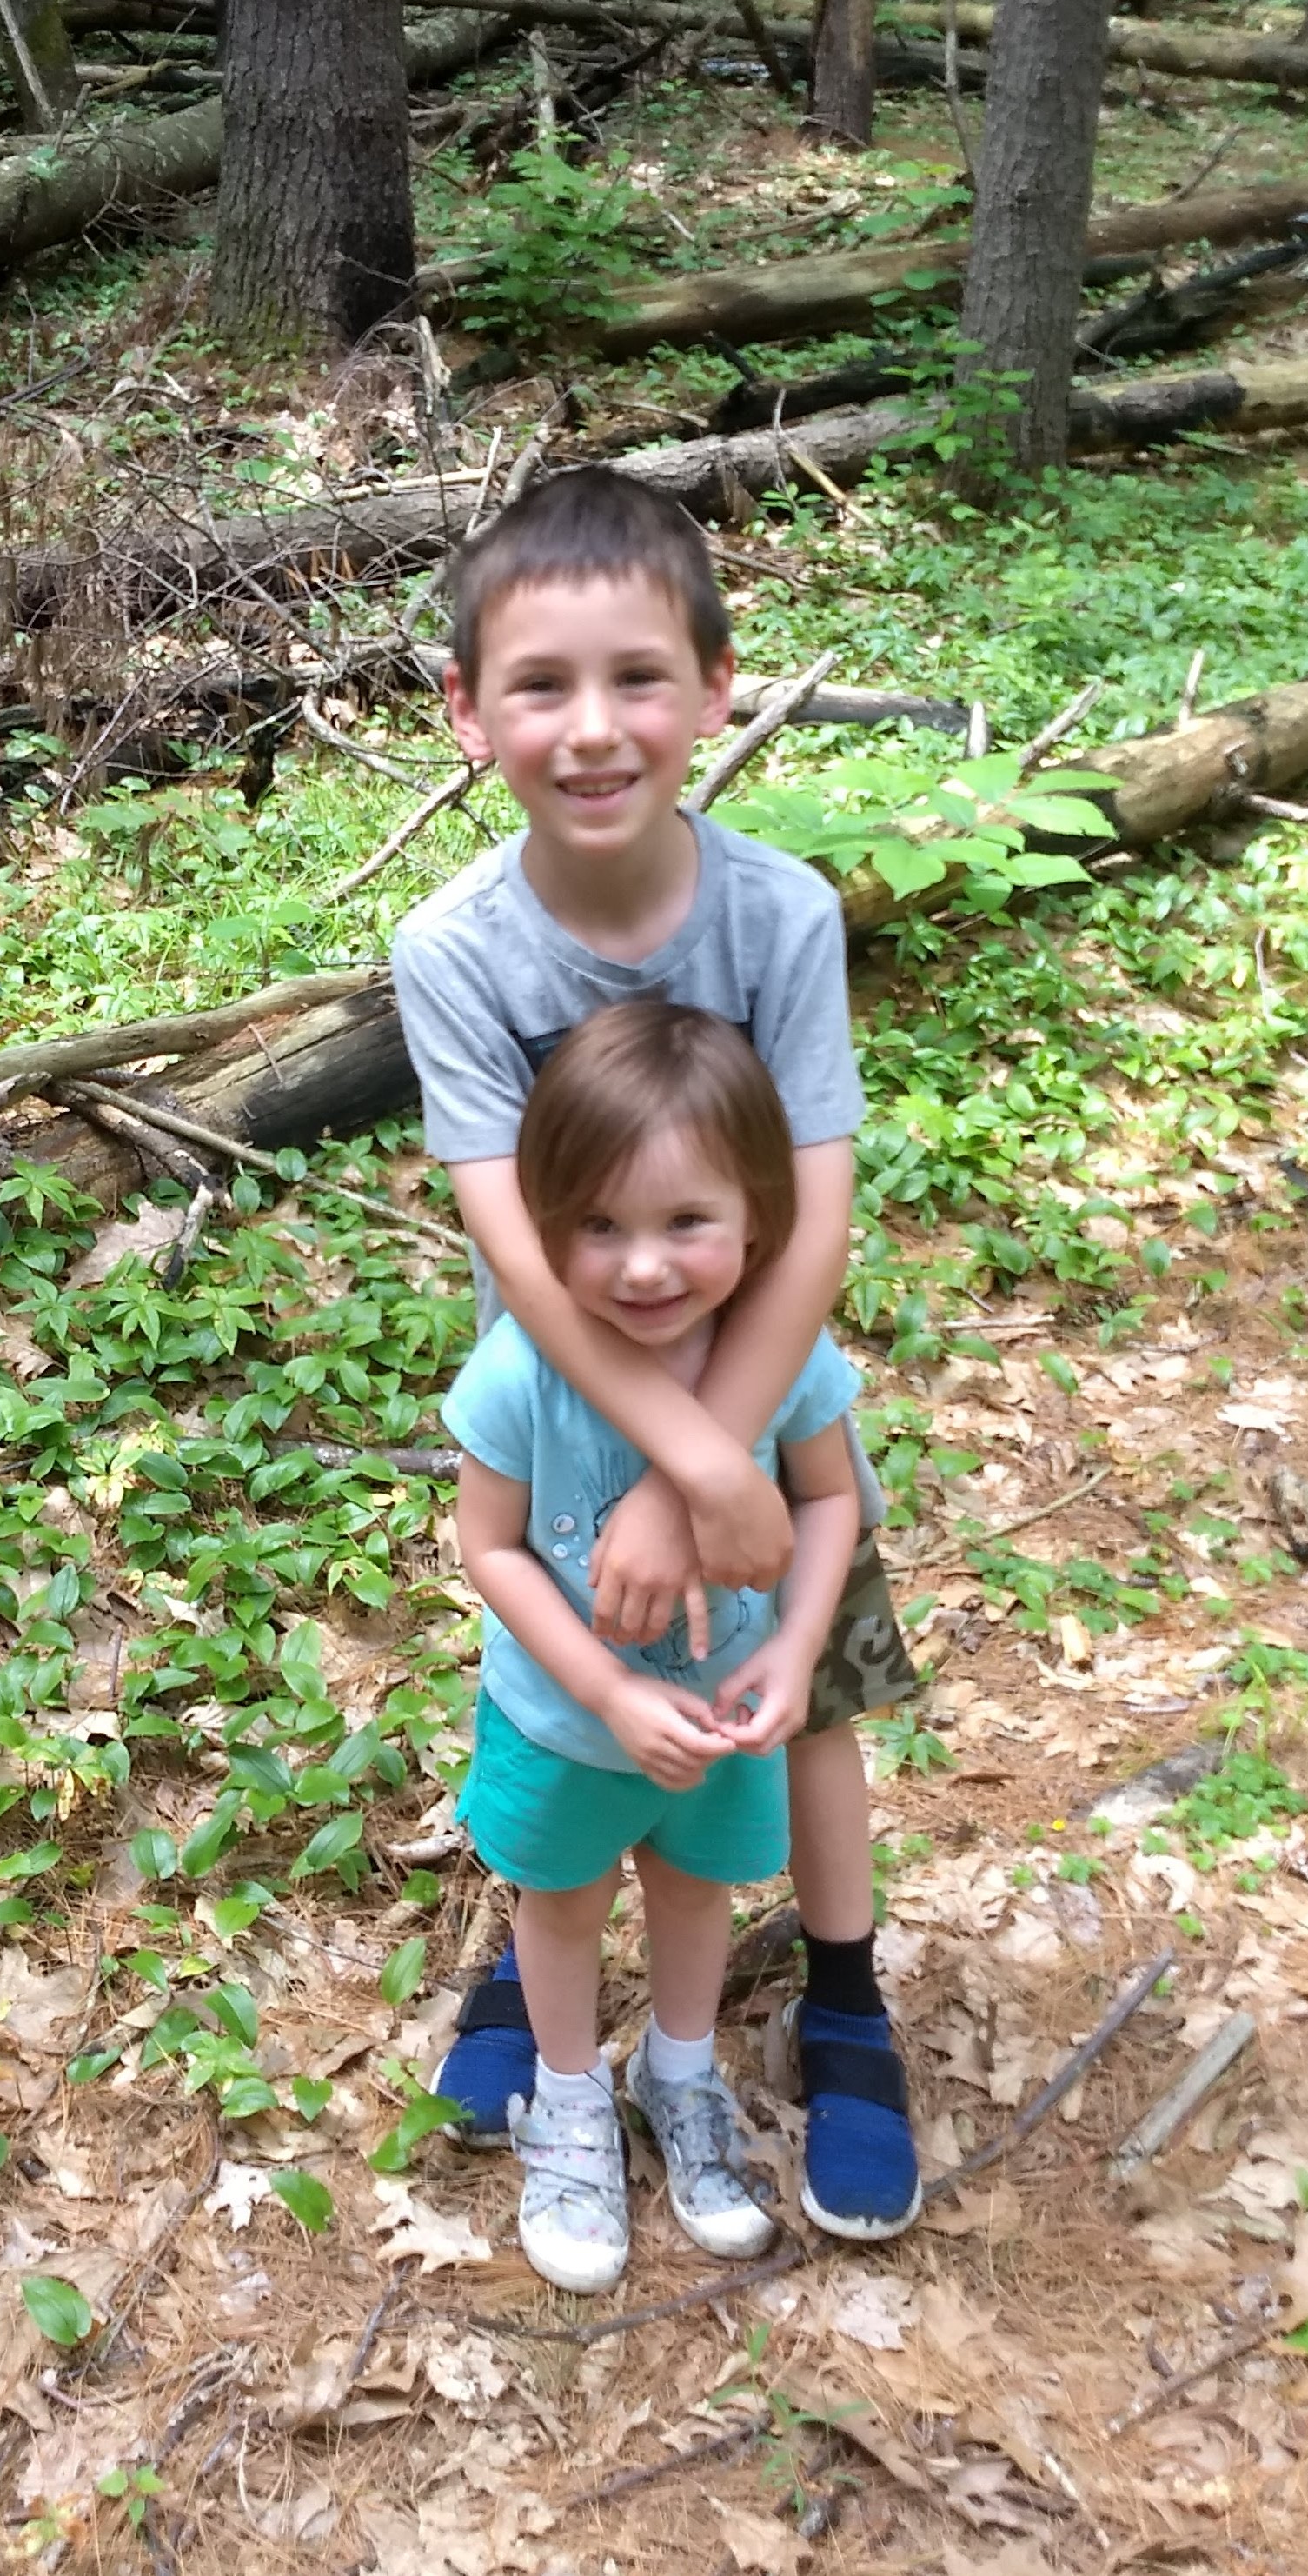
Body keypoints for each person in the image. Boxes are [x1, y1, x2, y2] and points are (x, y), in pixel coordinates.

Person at [389, 463, 922, 2244]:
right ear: (468, 711)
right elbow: (514, 1244)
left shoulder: (778, 917)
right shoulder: (455, 948)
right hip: (564, 1406)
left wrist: (722, 1460)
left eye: (638, 676)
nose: (595, 725)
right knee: (566, 1697)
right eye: (541, 684)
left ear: (713, 686)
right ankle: (532, 1972)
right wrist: (670, 1462)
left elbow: (813, 1225)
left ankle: (842, 1999)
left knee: (802, 1681)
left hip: (769, 1389)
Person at [446, 1000, 864, 2290]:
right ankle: (568, 2099)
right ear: (543, 1225)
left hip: (724, 1715)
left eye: (686, 1222)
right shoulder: (521, 1374)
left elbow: (830, 1499)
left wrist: (797, 1649)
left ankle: (679, 2074)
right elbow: (490, 1547)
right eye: (600, 1227)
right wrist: (606, 1689)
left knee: (694, 1892)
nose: (643, 1268)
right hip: (567, 1723)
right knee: (564, 1904)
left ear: (758, 1219)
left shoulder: (780, 1362)